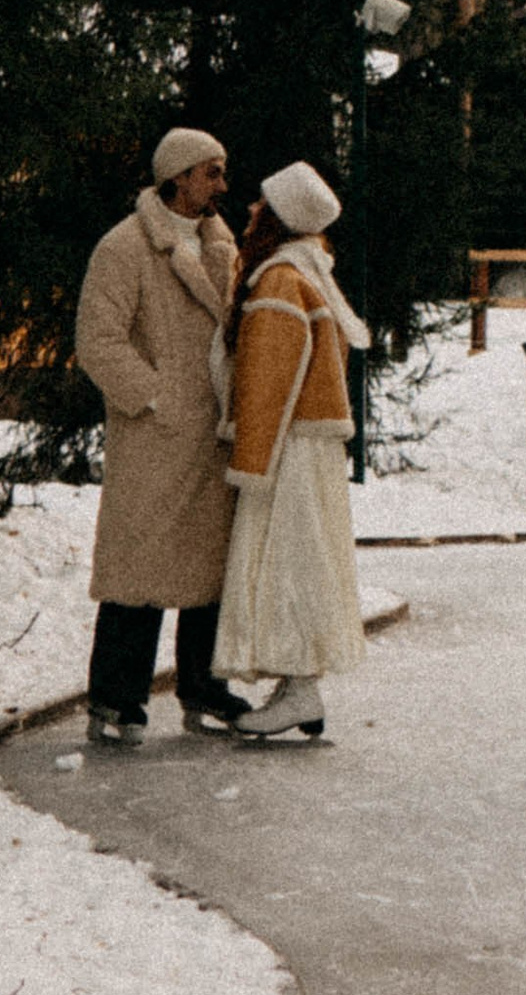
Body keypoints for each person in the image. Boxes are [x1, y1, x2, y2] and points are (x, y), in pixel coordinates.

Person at [72, 127, 257, 748]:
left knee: (209, 567)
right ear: (177, 176)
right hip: (155, 438)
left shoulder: (220, 244)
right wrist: (155, 397)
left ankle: (203, 686)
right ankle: (116, 697)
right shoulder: (125, 248)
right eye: (212, 172)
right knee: (140, 568)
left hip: (211, 435)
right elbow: (98, 341)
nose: (223, 185)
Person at [213, 160, 372, 740]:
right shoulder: (310, 274)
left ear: (279, 220)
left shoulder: (280, 281)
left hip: (287, 448)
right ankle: (297, 686)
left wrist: (250, 459)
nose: (251, 210)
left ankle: (299, 686)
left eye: (262, 204)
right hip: (308, 446)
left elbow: (267, 379)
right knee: (305, 559)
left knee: (285, 564)